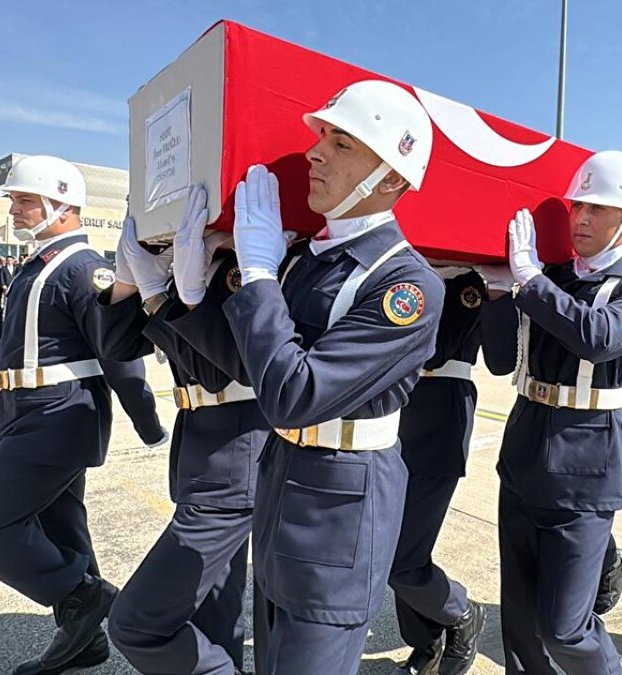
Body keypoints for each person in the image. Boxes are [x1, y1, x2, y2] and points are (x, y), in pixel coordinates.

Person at [223, 80, 444, 674]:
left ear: (392, 178)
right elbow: (243, 363)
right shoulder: (308, 257)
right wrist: (174, 294)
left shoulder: (406, 285)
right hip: (282, 485)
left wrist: (261, 274)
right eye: (322, 135)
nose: (316, 152)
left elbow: (294, 394)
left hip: (340, 513)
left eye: (342, 142)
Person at [0, 155, 154, 675]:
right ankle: (83, 640)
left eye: (25, 200)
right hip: (25, 414)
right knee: (61, 526)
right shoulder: (34, 269)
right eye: (15, 199)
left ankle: (82, 597)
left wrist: (146, 421)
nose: (14, 209)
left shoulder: (86, 270)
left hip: (59, 421)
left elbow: (118, 353)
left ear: (63, 206)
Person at [480, 150, 622, 675]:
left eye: (598, 209)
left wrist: (529, 280)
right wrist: (497, 290)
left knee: (563, 626)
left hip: (585, 465)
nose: (582, 218)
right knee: (518, 622)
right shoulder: (551, 275)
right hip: (523, 452)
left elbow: (598, 337)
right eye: (578, 205)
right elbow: (499, 361)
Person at [96, 190, 266, 675]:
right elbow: (117, 343)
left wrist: (157, 295)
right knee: (216, 613)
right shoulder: (182, 259)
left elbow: (215, 369)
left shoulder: (232, 260)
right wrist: (131, 281)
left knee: (138, 622)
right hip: (200, 447)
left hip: (236, 453)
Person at [389, 266, 488, 675]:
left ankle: (460, 611)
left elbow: (439, 346)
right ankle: (426, 641)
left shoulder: (466, 283)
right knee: (395, 543)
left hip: (440, 414)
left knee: (403, 555)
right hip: (399, 409)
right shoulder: (408, 270)